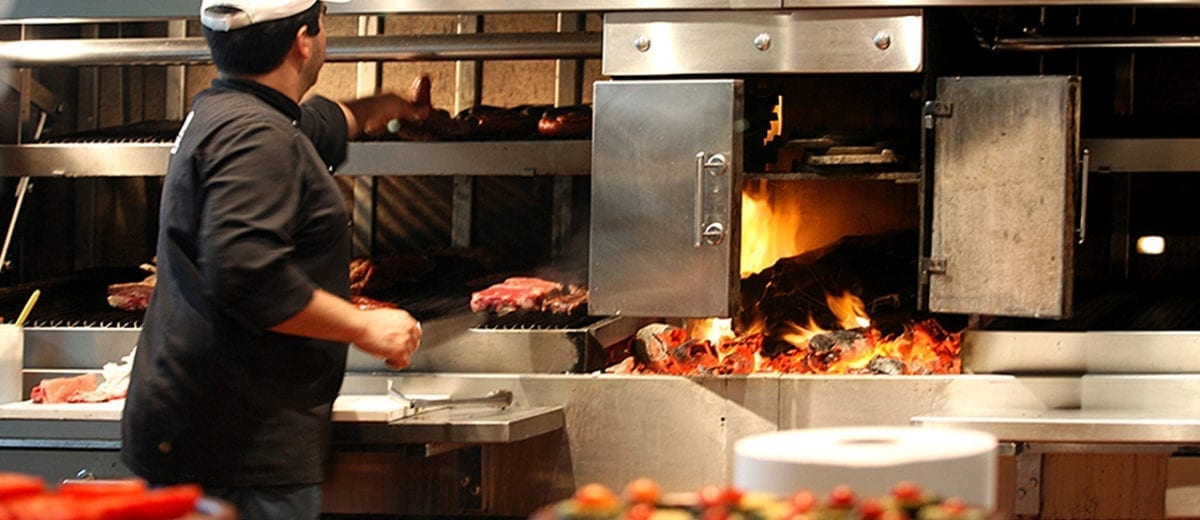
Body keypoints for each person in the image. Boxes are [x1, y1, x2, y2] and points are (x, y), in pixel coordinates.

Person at [120, 0, 425, 518]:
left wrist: (389, 104)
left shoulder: (229, 112)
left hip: (208, 434)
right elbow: (245, 273)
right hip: (240, 454)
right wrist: (363, 327)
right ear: (304, 40)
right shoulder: (257, 136)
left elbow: (323, 123)